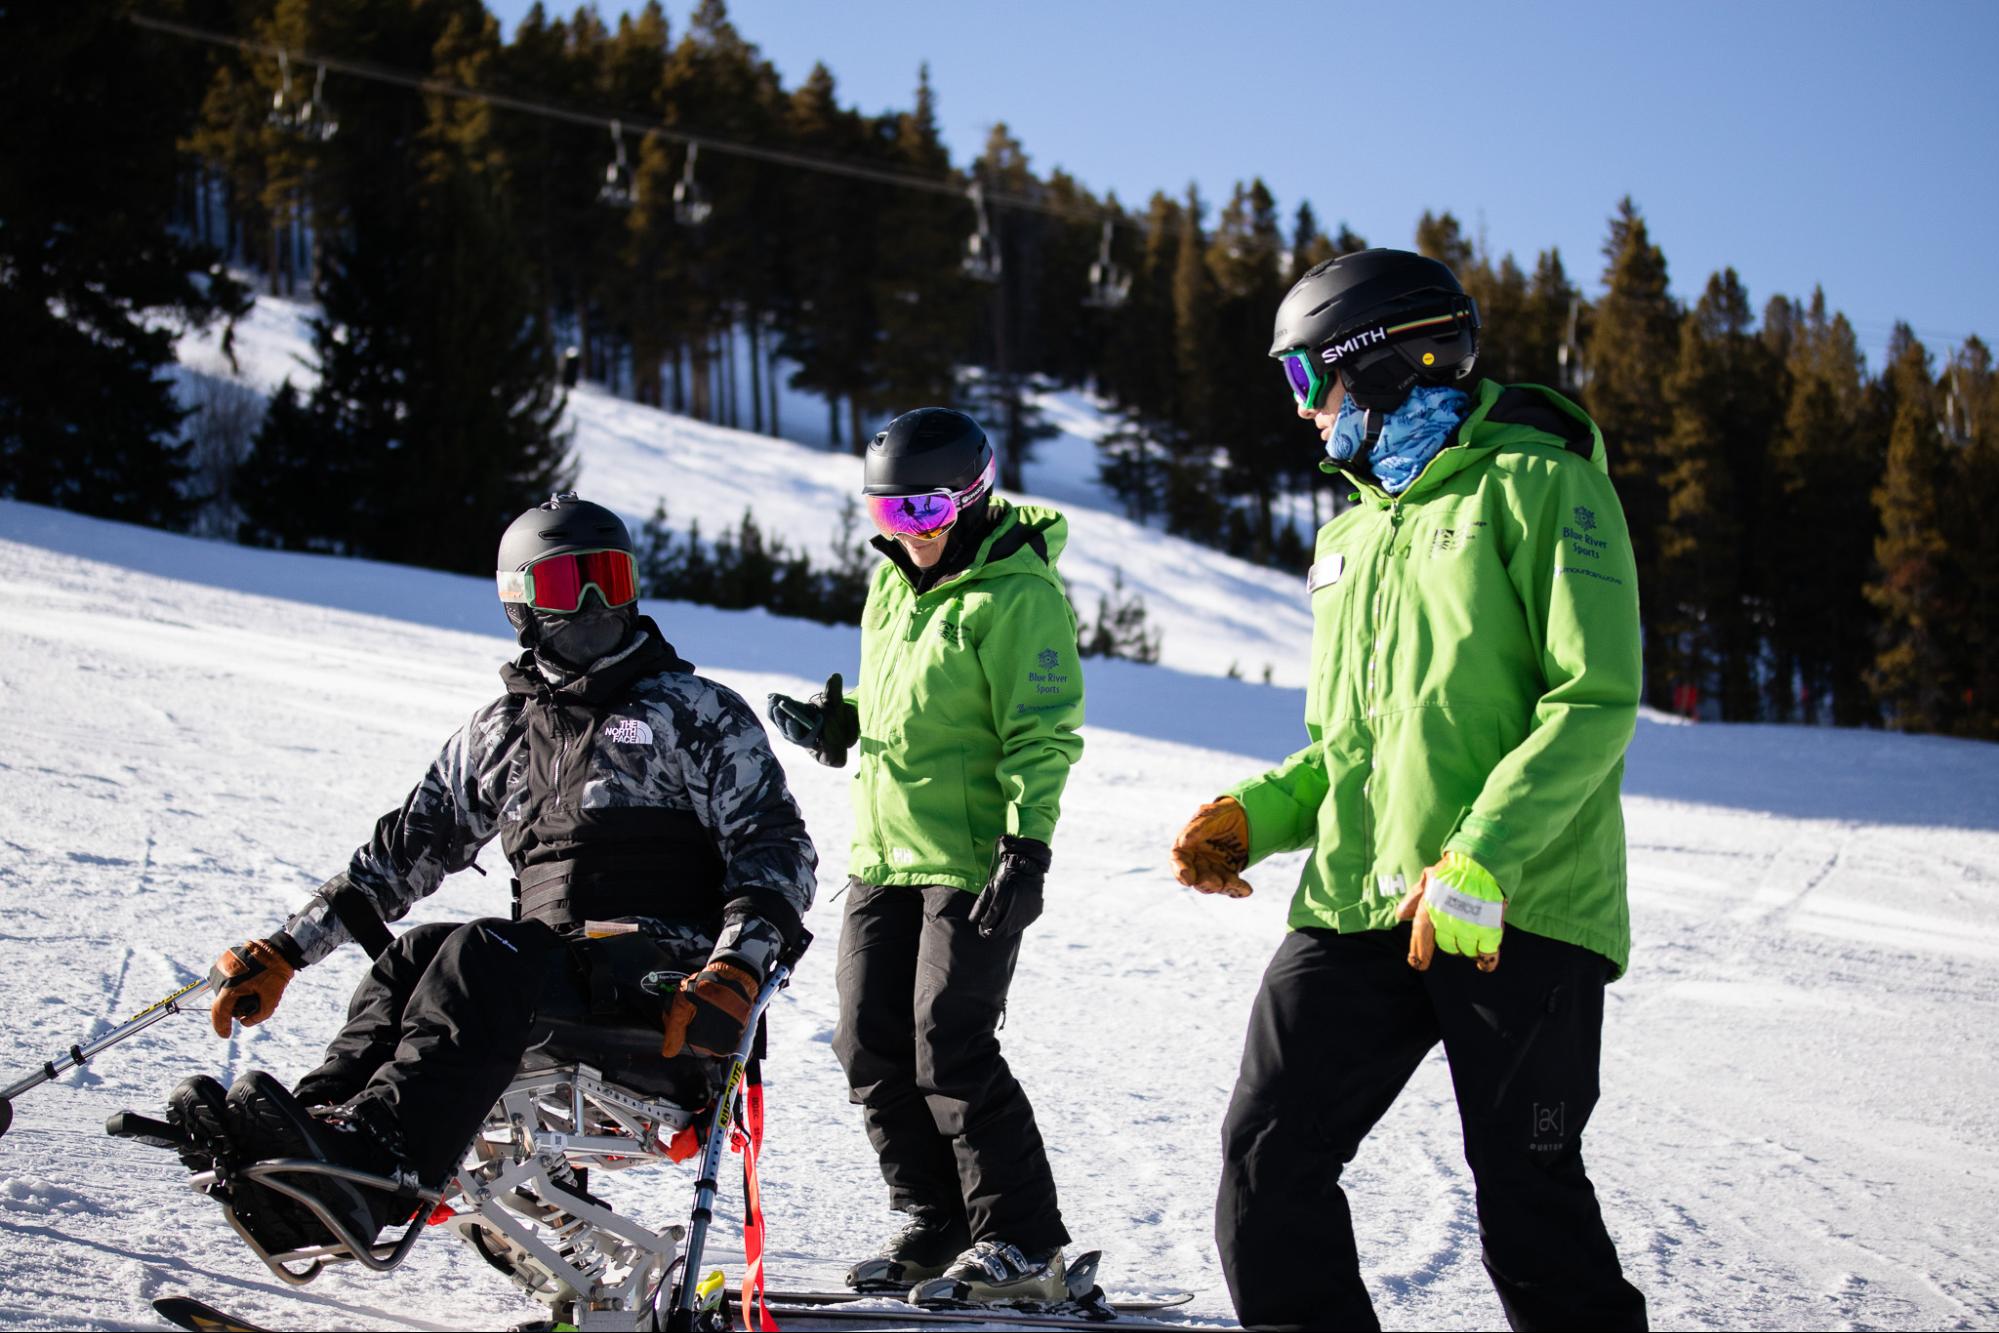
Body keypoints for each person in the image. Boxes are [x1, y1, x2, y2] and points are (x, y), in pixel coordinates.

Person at [1171, 250, 1649, 1332]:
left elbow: (1592, 699)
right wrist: (1259, 815)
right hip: (1364, 901)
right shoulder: (1351, 533)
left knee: (1528, 1202)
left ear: (1378, 367)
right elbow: (1352, 747)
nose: (1301, 412)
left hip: (1515, 905)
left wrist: (1480, 855)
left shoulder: (1539, 484)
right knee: (1266, 1158)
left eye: (1308, 381)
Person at [164, 492, 817, 1256]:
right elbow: (397, 856)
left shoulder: (695, 712)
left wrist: (735, 968)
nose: (596, 602)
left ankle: (379, 1159)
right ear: (521, 604)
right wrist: (287, 948)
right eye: (569, 585)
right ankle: (310, 1137)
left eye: (609, 576)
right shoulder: (499, 732)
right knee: (414, 954)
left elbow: (775, 850)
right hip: (551, 979)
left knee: (480, 951)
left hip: (666, 991)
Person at [765, 407, 1083, 1305]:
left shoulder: (1018, 596)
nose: (906, 536)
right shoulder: (894, 586)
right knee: (866, 1041)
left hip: (972, 855)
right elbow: (904, 699)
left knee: (950, 1043)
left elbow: (1042, 734)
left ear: (973, 497)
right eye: (887, 515)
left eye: (924, 513)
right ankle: (936, 1217)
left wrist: (1027, 847)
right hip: (883, 853)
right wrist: (843, 724)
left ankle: (1021, 1238)